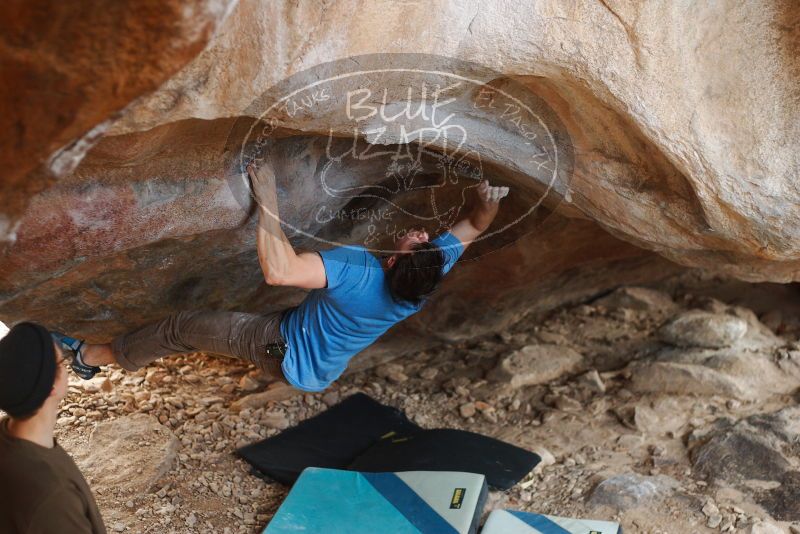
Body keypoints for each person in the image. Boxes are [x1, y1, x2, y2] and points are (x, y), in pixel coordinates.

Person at [59, 163, 509, 393]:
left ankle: (90, 357)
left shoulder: (356, 272)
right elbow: (474, 225)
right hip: (318, 359)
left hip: (281, 349)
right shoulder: (422, 277)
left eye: (414, 241)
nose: (422, 234)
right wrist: (489, 198)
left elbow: (280, 270)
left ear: (392, 261)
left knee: (184, 328)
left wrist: (268, 196)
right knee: (260, 323)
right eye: (426, 240)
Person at [0, 322, 106, 533]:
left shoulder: (7, 435)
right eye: (62, 362)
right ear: (51, 387)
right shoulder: (54, 497)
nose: (66, 368)